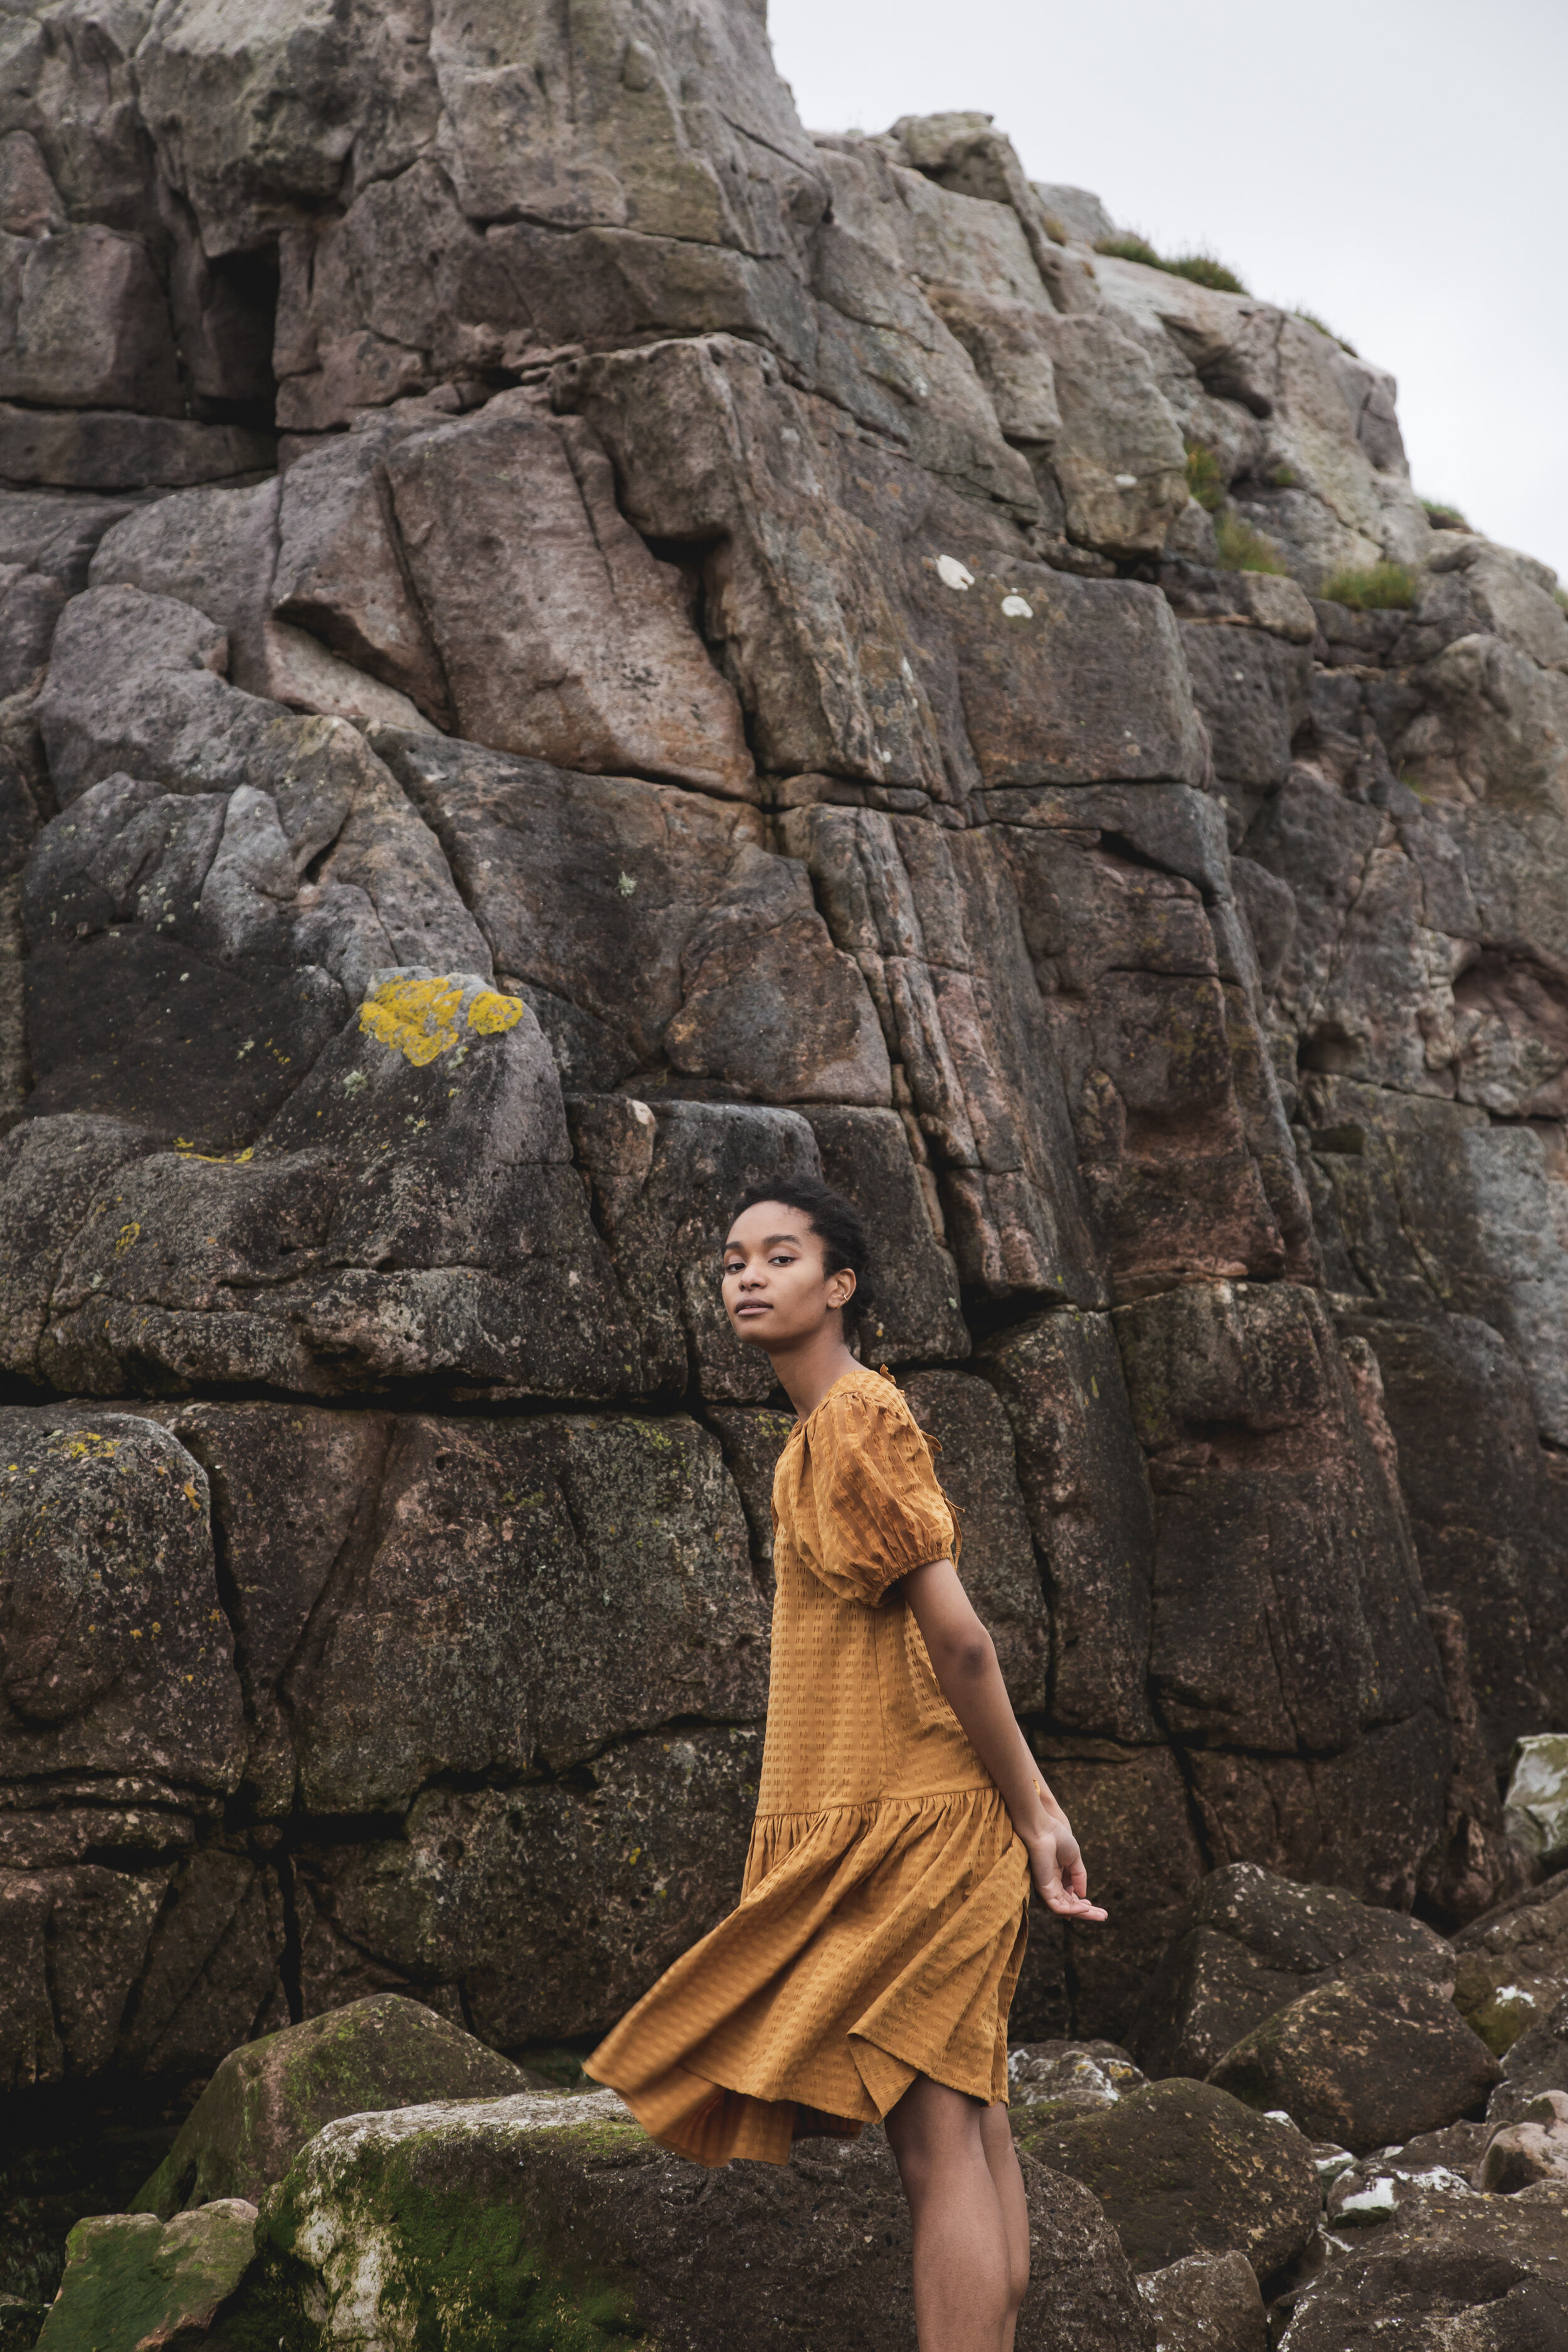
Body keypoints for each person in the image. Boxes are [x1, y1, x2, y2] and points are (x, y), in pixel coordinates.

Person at [586, 1176, 1105, 2352]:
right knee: (973, 2124)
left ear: (841, 1284)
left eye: (780, 1256)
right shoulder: (819, 1435)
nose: (749, 1277)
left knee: (937, 2147)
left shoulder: (860, 1419)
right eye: (733, 1260)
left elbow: (960, 1638)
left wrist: (1035, 1811)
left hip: (920, 1825)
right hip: (895, 1818)